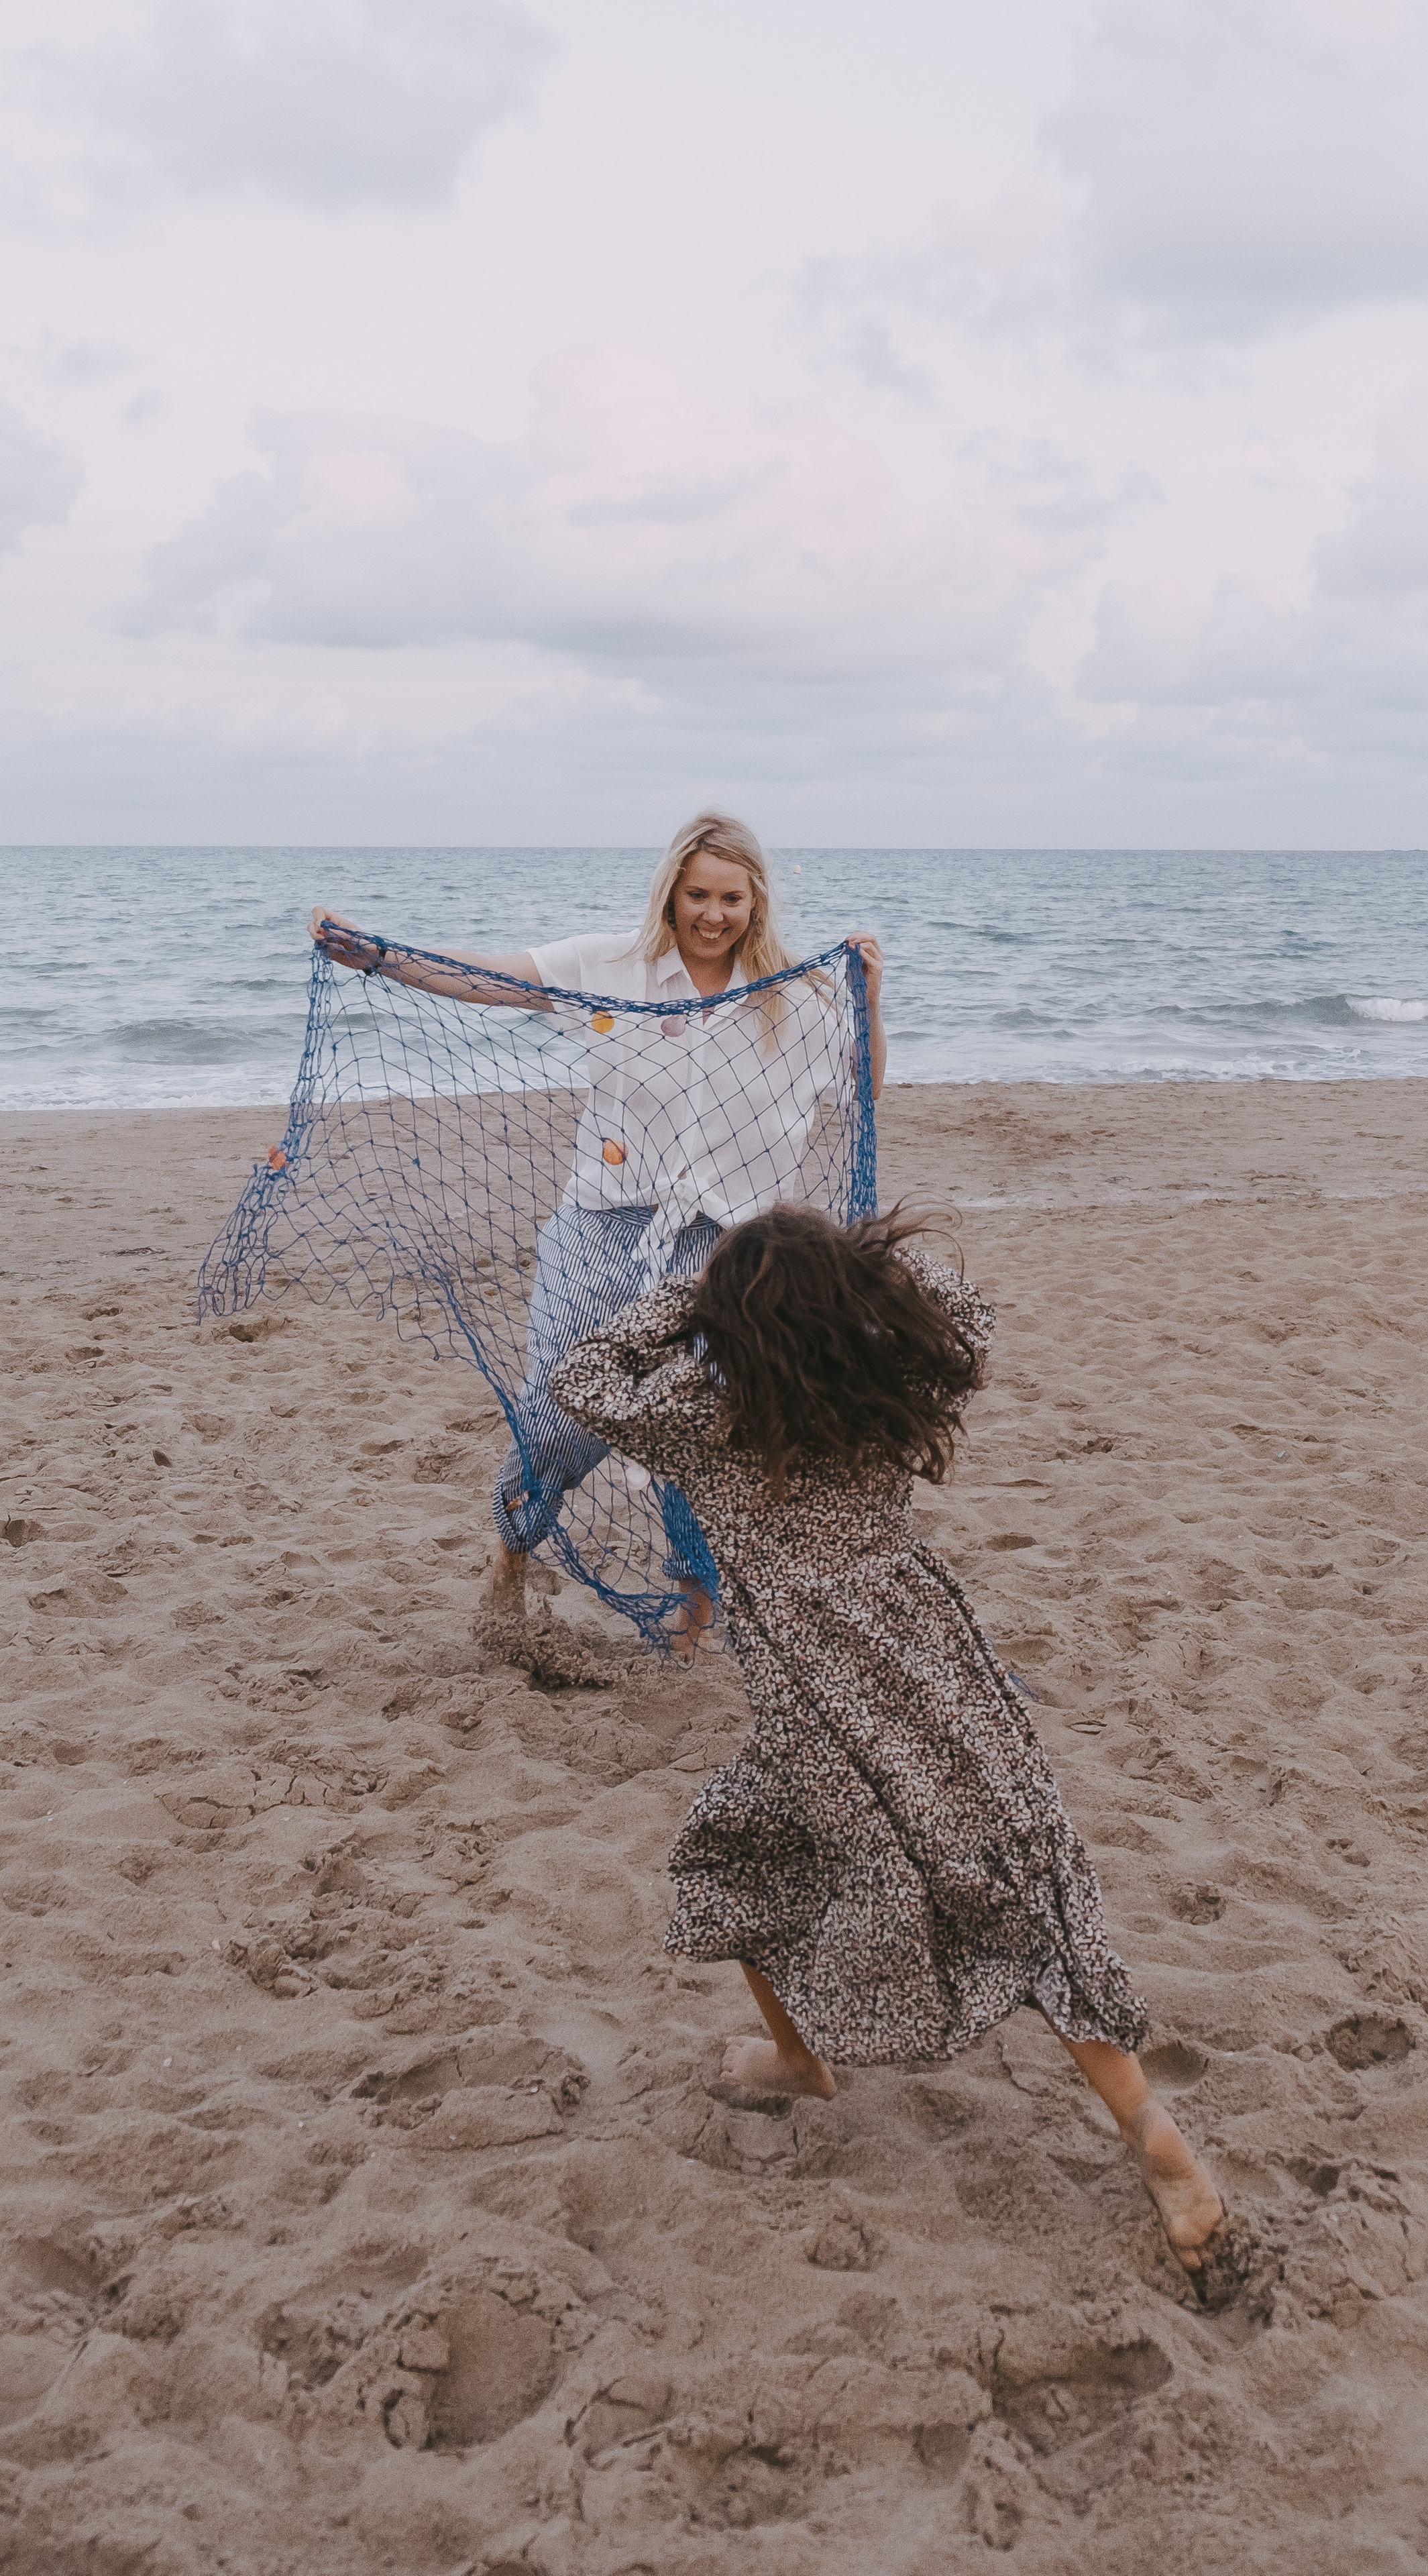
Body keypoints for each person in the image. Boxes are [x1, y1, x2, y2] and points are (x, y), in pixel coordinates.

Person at [546, 1203, 1233, 2288]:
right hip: (936, 1664)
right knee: (1015, 1882)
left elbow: (580, 1377)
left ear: (732, 1324)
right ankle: (1159, 2143)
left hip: (814, 1698)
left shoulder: (701, 1412)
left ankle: (800, 2058)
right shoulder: (886, 1376)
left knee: (728, 1859)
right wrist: (855, 1276)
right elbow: (965, 1308)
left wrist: (693, 1295)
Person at [308, 814, 886, 1654]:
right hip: (603, 1225)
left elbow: (863, 1089)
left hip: (730, 1252)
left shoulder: (799, 997)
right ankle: (512, 1547)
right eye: (697, 895)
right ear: (672, 892)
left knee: (702, 1424)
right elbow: (489, 978)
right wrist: (382, 956)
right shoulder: (614, 969)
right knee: (563, 1413)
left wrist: (870, 996)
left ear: (756, 899)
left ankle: (695, 1604)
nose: (712, 915)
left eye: (730, 897)